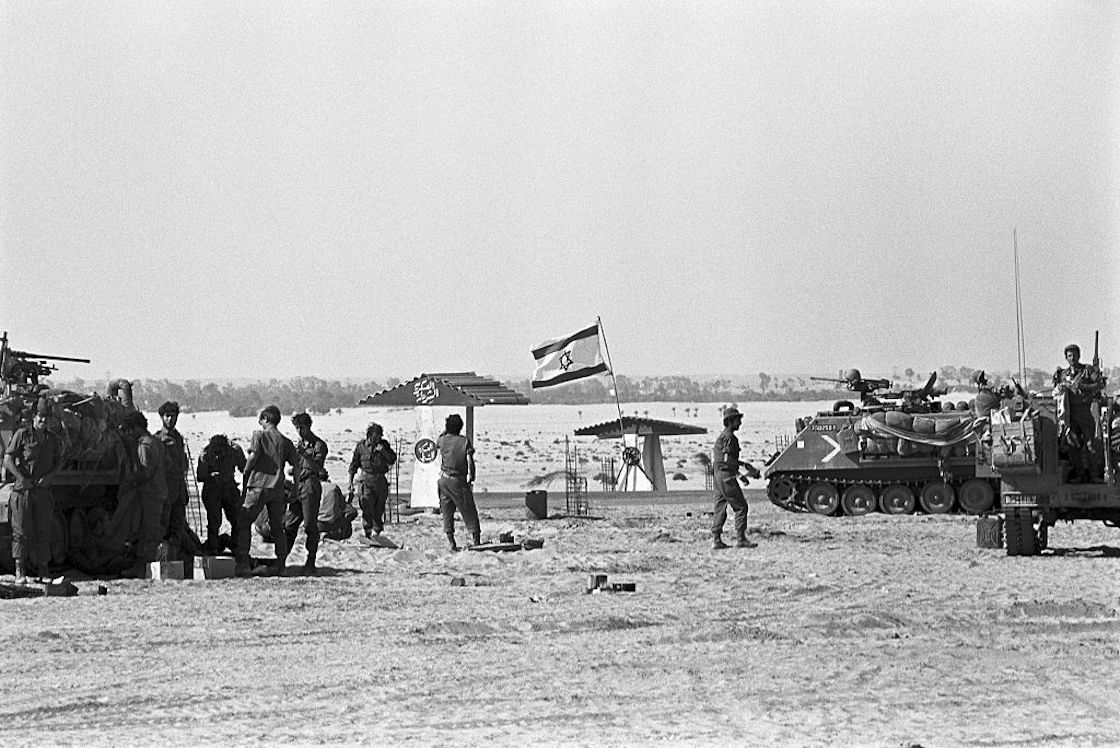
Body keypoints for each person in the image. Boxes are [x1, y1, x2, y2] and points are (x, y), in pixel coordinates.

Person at [235, 405, 299, 577]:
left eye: (260, 418)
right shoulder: (285, 441)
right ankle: (281, 566)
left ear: (265, 419)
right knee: (277, 527)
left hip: (259, 485)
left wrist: (246, 474)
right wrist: (295, 488)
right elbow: (296, 465)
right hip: (277, 489)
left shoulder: (259, 436)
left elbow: (253, 457)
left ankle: (243, 563)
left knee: (244, 521)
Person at [3, 399, 62, 583]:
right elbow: (8, 459)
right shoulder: (22, 435)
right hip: (24, 490)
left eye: (47, 418)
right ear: (34, 417)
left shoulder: (52, 439)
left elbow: (59, 461)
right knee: (20, 533)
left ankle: (43, 571)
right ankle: (20, 572)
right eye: (40, 417)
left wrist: (50, 477)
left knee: (43, 532)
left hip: (42, 491)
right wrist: (20, 478)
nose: (43, 421)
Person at [118, 410, 168, 574]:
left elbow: (144, 472)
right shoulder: (156, 441)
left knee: (150, 533)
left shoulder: (144, 445)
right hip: (157, 491)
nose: (130, 434)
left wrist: (129, 481)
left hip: (149, 493)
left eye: (130, 430)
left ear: (136, 427)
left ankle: (146, 568)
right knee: (149, 531)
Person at [1052, 343, 1106, 482]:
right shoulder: (1064, 374)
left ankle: (1093, 475)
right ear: (1066, 358)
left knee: (1090, 445)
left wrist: (1084, 386)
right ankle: (1080, 475)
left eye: (1075, 355)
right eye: (1070, 356)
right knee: (1073, 446)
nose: (1072, 358)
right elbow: (1057, 391)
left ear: (1079, 355)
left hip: (1085, 412)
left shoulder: (1087, 370)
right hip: (1070, 414)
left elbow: (1100, 384)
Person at [282, 413, 327, 572]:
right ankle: (282, 559)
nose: (300, 431)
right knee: (290, 524)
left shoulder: (318, 445)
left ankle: (311, 560)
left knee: (309, 525)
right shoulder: (299, 445)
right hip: (298, 484)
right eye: (297, 428)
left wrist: (305, 454)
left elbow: (318, 467)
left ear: (309, 426)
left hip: (310, 484)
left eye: (302, 427)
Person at [710, 406, 759, 550]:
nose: (740, 423)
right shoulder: (729, 437)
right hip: (726, 476)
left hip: (719, 476)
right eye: (738, 420)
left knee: (720, 507)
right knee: (741, 507)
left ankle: (716, 539)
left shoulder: (723, 436)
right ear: (731, 421)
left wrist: (741, 470)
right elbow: (727, 460)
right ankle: (741, 539)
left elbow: (725, 460)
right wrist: (743, 469)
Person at [155, 400, 197, 559]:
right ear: (161, 417)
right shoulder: (159, 439)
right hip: (166, 488)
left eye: (173, 416)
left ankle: (175, 556)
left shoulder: (178, 437)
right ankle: (162, 557)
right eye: (167, 416)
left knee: (177, 524)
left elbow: (183, 463)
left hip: (179, 487)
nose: (170, 419)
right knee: (163, 524)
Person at [196, 433, 246, 554]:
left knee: (237, 519)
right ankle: (213, 548)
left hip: (229, 489)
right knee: (214, 522)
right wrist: (211, 476)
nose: (219, 455)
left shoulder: (234, 451)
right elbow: (200, 476)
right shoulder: (206, 454)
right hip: (212, 490)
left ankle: (237, 548)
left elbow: (245, 468)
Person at [436, 413, 479, 551]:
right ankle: (475, 538)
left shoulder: (442, 440)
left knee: (447, 510)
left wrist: (445, 431)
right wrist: (472, 475)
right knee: (468, 509)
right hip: (458, 480)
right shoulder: (464, 441)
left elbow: (438, 441)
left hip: (444, 479)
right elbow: (470, 461)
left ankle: (451, 542)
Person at [348, 422, 397, 538]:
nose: (378, 438)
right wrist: (350, 482)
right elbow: (353, 465)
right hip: (366, 480)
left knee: (379, 507)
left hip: (380, 480)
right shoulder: (361, 447)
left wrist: (383, 451)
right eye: (376, 436)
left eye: (380, 436)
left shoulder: (384, 445)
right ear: (370, 435)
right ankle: (368, 531)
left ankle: (377, 531)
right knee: (366, 505)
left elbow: (392, 459)